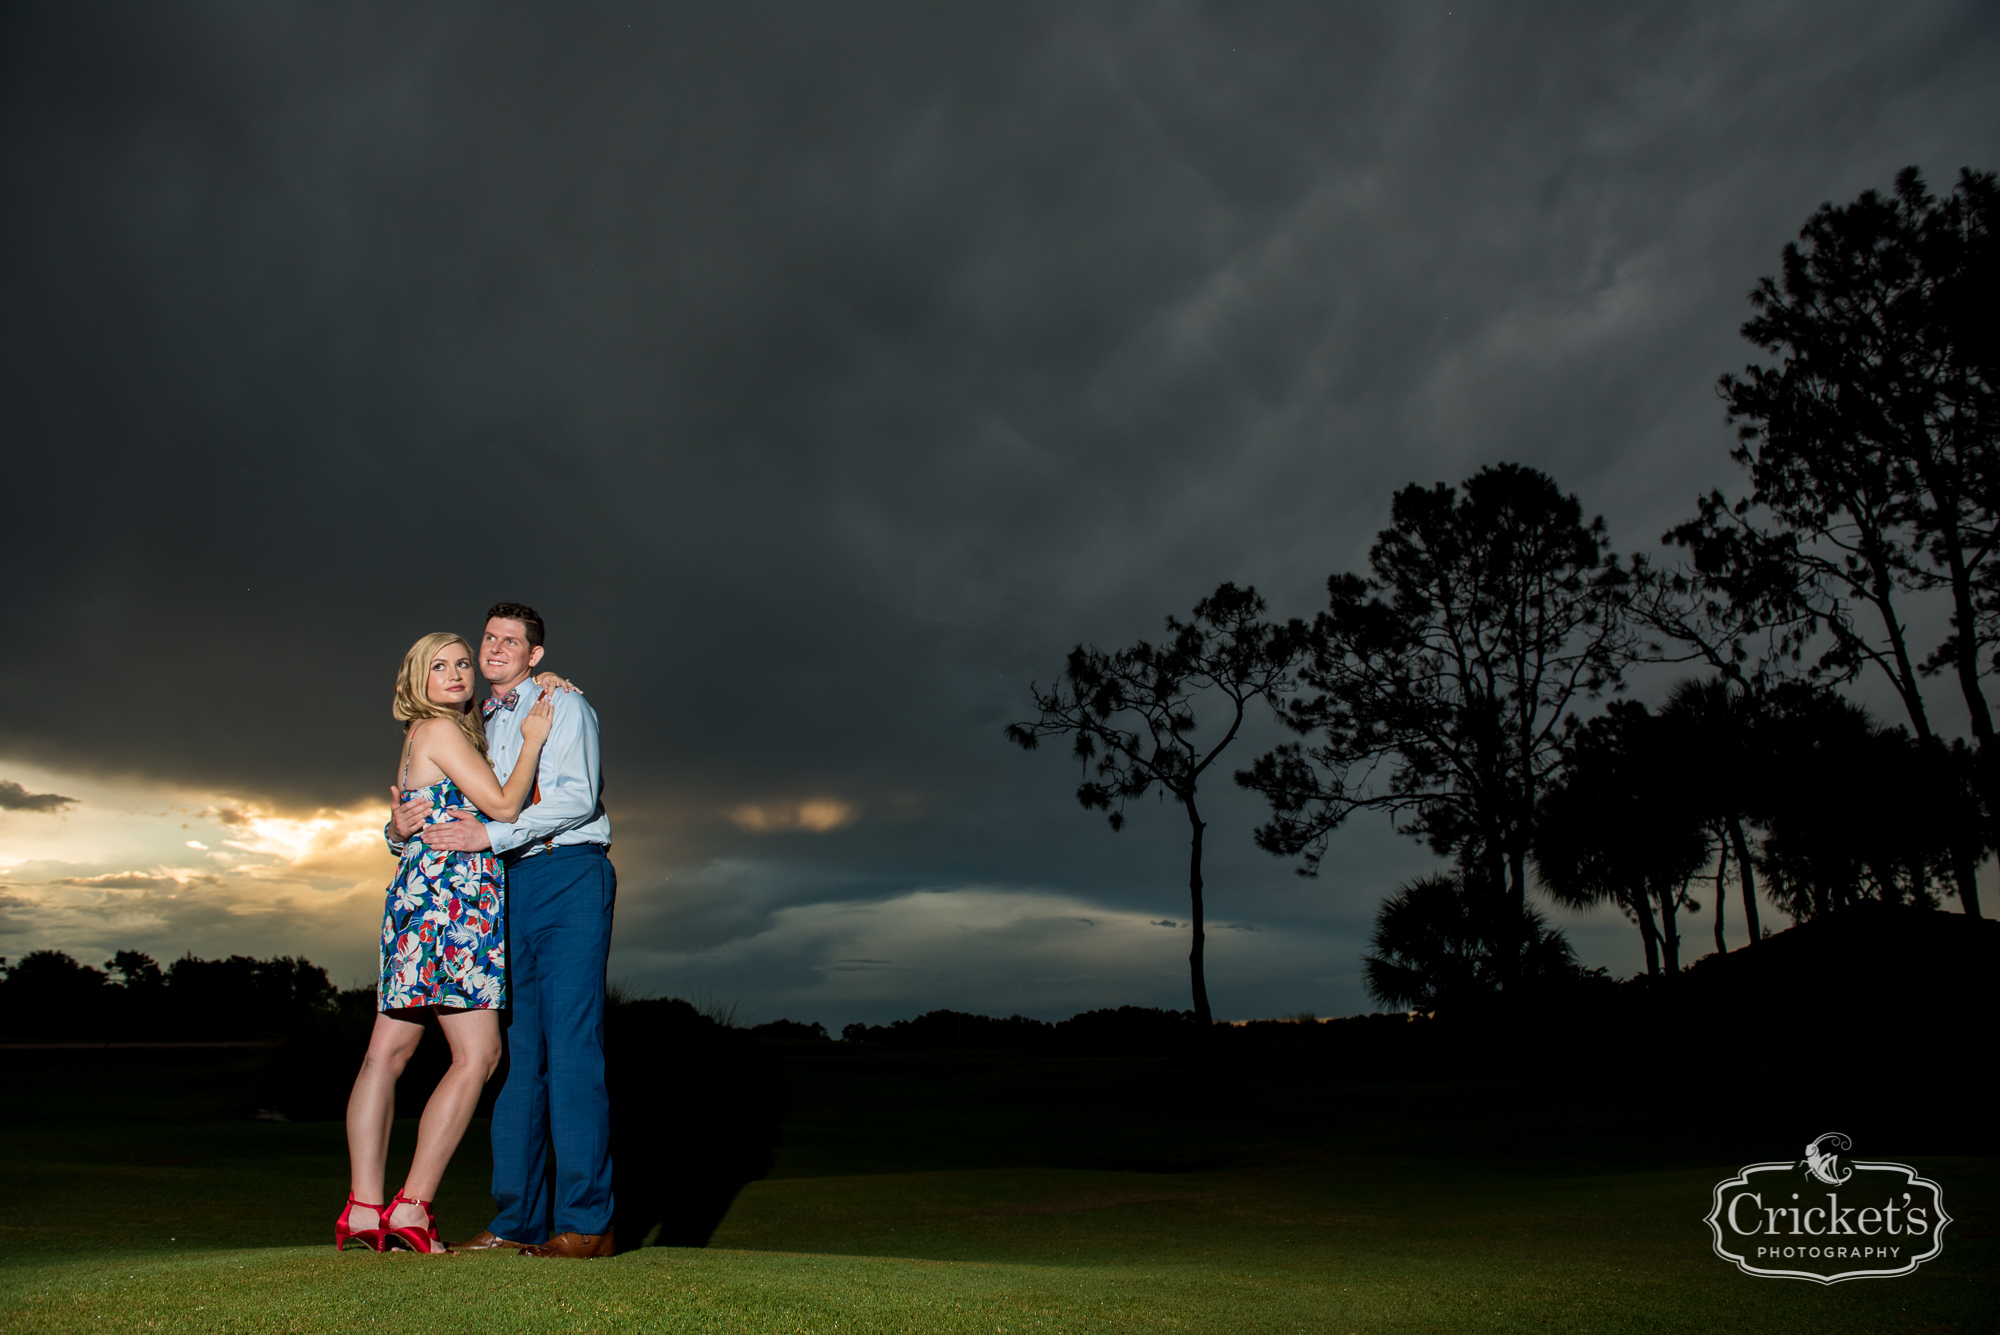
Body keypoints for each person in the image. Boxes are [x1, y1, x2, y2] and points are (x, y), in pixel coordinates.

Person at [388, 602, 618, 1259]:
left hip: (567, 872)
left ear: (534, 655)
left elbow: (576, 795)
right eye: (488, 636)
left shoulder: (563, 705)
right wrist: (394, 827)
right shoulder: (466, 724)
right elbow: (424, 809)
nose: (494, 647)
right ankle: (517, 1220)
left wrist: (490, 832)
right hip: (497, 889)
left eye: (511, 640)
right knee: (512, 1056)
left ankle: (587, 1223)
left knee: (571, 1044)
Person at [337, 631, 555, 1254]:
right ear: (417, 679)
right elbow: (507, 806)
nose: (457, 673)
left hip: (415, 900)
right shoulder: (440, 731)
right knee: (477, 1057)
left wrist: (394, 828)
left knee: (387, 1055)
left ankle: (362, 1211)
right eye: (440, 666)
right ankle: (411, 1208)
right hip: (452, 906)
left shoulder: (422, 737)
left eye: (463, 663)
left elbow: (411, 820)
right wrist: (535, 740)